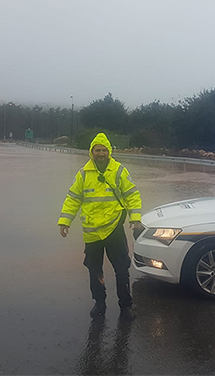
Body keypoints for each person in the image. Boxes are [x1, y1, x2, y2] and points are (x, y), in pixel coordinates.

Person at [58, 133, 143, 320]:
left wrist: (135, 218)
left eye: (104, 150)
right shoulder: (83, 174)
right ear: (92, 152)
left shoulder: (119, 171)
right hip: (92, 232)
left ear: (109, 151)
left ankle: (126, 305)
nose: (101, 153)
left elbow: (132, 195)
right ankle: (99, 302)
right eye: (98, 150)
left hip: (114, 229)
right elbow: (73, 199)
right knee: (94, 270)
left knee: (122, 269)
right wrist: (65, 221)